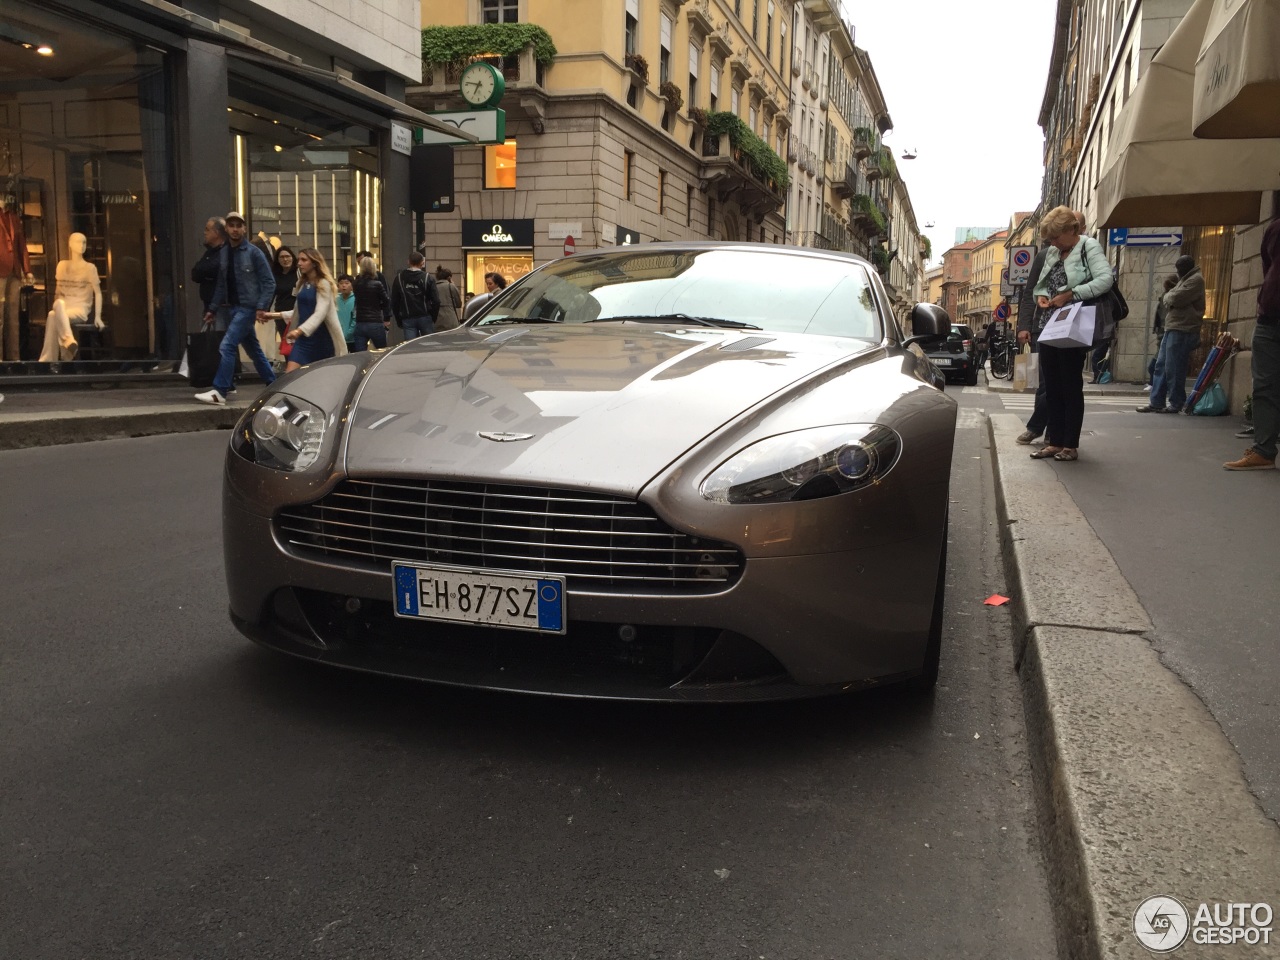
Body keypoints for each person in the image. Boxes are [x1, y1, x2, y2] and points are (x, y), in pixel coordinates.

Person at [1025, 205, 1114, 463]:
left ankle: (1070, 445)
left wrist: (1071, 294)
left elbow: (1104, 280)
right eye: (1050, 239)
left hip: (1074, 322)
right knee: (1051, 385)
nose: (1053, 243)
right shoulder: (1054, 251)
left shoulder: (1088, 246)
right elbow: (1040, 284)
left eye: (1056, 237)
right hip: (1050, 322)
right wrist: (1041, 296)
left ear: (1070, 230)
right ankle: (1054, 442)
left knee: (1070, 385)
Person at [194, 211, 276, 405]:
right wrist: (212, 309)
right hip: (233, 308)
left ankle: (220, 391)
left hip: (247, 308)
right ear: (227, 229)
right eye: (231, 225)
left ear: (244, 228)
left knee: (227, 345)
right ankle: (275, 385)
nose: (235, 229)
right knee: (254, 350)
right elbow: (222, 284)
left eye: (239, 225)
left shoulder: (254, 252)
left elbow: (269, 282)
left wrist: (261, 307)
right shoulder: (224, 253)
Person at [1224, 214, 1280, 470]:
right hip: (1271, 317)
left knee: (1266, 386)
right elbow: (1268, 267)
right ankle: (1264, 449)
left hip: (1270, 314)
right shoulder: (1275, 229)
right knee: (1265, 386)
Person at [1137, 255, 1205, 414]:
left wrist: (1169, 297)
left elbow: (1175, 298)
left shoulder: (1195, 280)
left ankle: (1176, 402)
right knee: (1161, 366)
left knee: (1174, 367)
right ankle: (1157, 402)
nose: (1178, 271)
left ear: (1187, 267)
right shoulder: (1185, 279)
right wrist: (1170, 297)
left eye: (1180, 268)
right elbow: (1169, 297)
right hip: (1173, 327)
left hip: (1184, 328)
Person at [271, 248, 348, 373]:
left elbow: (320, 313)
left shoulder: (324, 284)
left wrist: (299, 331)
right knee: (290, 376)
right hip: (303, 341)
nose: (299, 263)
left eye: (304, 260)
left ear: (314, 263)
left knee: (320, 379)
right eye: (299, 260)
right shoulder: (302, 284)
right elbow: (298, 311)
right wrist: (272, 315)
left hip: (321, 340)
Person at [40, 232, 104, 363]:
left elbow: (98, 292)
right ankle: (68, 345)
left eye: (84, 242)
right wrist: (59, 310)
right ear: (70, 244)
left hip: (80, 309)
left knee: (52, 316)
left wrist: (98, 316)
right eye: (78, 242)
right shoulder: (62, 265)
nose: (82, 245)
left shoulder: (90, 268)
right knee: (57, 306)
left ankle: (48, 359)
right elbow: (58, 291)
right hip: (63, 306)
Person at [391, 252, 440, 339]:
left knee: (411, 348)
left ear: (408, 262)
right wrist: (433, 317)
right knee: (429, 345)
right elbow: (436, 301)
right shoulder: (428, 278)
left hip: (408, 317)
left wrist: (399, 320)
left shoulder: (399, 278)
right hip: (425, 316)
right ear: (422, 263)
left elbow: (395, 301)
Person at [353, 256, 391, 350]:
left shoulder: (356, 284)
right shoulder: (377, 284)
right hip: (375, 321)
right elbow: (387, 301)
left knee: (360, 354)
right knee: (381, 352)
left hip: (360, 322)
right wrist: (379, 307)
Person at [434, 265, 464, 331]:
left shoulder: (433, 287)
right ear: (449, 277)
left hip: (436, 320)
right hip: (451, 320)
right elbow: (459, 304)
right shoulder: (451, 286)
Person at [336, 274, 357, 351]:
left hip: (353, 339)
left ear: (352, 285)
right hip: (338, 338)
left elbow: (355, 319)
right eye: (341, 283)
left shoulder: (356, 299)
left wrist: (348, 334)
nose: (343, 285)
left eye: (347, 283)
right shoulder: (335, 299)